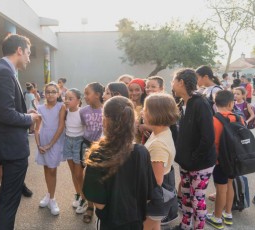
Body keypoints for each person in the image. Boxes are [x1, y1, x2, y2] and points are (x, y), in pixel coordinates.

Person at [0, 34, 40, 230]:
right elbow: (6, 115)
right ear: (19, 51)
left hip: (4, 143)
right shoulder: (4, 72)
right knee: (9, 200)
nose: (29, 58)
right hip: (11, 146)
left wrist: (24, 112)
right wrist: (29, 118)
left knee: (8, 196)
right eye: (28, 53)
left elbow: (1, 110)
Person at [83, 96, 156, 230]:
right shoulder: (142, 152)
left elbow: (98, 202)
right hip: (136, 220)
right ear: (132, 120)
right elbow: (148, 193)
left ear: (105, 120)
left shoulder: (99, 153)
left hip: (110, 222)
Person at [172, 68, 216, 230]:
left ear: (181, 82)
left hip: (200, 163)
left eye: (173, 81)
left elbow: (208, 138)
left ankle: (198, 227)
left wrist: (194, 159)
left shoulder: (200, 103)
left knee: (197, 200)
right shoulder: (183, 103)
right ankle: (185, 226)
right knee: (186, 197)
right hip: (186, 161)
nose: (172, 85)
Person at [143, 93, 179, 230]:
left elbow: (157, 180)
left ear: (154, 113)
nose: (142, 112)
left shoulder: (158, 144)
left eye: (145, 109)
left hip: (154, 198)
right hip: (161, 194)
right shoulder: (161, 131)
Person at [206, 90, 241, 229]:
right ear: (231, 103)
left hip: (220, 161)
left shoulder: (213, 120)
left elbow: (212, 142)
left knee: (221, 189)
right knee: (230, 185)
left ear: (215, 103)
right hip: (235, 160)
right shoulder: (239, 118)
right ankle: (228, 214)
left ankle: (217, 218)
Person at [35, 82, 66, 216]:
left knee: (52, 169)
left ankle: (52, 199)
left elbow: (61, 127)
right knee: (47, 167)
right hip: (43, 140)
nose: (50, 94)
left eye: (53, 91)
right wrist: (39, 145)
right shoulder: (40, 107)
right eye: (48, 92)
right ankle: (49, 194)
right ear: (44, 94)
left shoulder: (61, 106)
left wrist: (50, 145)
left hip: (55, 140)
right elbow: (36, 129)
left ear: (58, 94)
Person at [80, 82, 105, 223]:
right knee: (88, 176)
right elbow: (82, 126)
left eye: (87, 93)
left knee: (102, 177)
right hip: (88, 146)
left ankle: (102, 205)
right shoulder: (83, 111)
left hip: (102, 147)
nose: (85, 96)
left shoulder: (106, 109)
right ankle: (89, 207)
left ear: (97, 95)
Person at [62, 88, 87, 214]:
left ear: (78, 100)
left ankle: (84, 198)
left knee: (79, 173)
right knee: (73, 172)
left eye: (70, 98)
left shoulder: (83, 112)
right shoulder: (64, 111)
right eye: (65, 98)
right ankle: (78, 194)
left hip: (79, 142)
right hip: (68, 141)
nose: (67, 101)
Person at [128, 78, 147, 144]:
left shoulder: (145, 107)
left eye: (137, 90)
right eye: (131, 90)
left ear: (142, 91)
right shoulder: (126, 105)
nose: (134, 93)